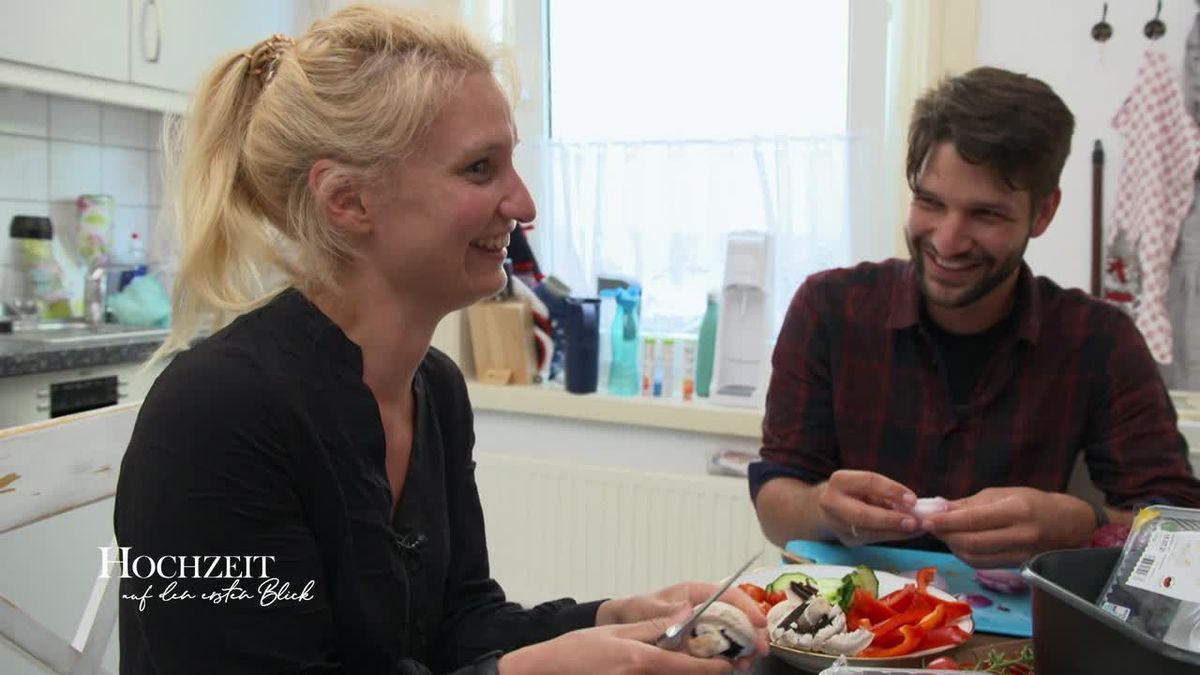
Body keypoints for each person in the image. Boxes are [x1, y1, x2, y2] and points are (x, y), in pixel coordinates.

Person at [114, 5, 765, 674]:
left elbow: (461, 623)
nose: (523, 203)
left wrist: (615, 620)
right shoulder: (214, 414)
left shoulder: (436, 389)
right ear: (348, 199)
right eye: (481, 168)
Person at [749, 66, 1200, 569]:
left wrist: (1081, 525)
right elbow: (776, 501)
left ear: (1044, 213)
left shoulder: (1098, 340)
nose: (946, 241)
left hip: (1016, 636)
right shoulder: (829, 308)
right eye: (929, 201)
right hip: (842, 624)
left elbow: (1177, 529)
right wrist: (821, 509)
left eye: (986, 215)